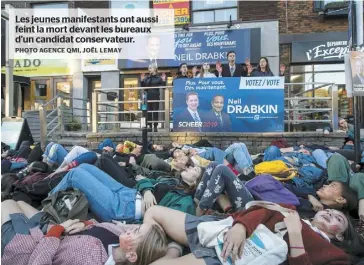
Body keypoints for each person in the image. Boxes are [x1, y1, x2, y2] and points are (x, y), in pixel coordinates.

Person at [143, 205, 357, 265]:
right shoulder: (295, 212)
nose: (331, 213)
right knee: (153, 213)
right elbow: (263, 211)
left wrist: (296, 237)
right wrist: (240, 227)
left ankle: (173, 247)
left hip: (234, 257)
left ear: (340, 236)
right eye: (329, 210)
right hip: (223, 229)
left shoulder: (335, 255)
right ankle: (175, 246)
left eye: (339, 218)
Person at [1, 200, 169, 265]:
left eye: (137, 231)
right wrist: (85, 223)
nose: (132, 227)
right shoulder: (118, 237)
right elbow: (98, 226)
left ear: (132, 256)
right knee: (21, 202)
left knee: (7, 203)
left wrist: (54, 233)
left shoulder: (92, 260)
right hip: (53, 230)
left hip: (27, 247)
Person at [50, 163, 204, 221]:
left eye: (194, 169)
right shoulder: (173, 182)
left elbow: (163, 226)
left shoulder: (186, 203)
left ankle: (45, 210)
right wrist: (147, 191)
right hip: (127, 193)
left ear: (196, 183)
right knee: (84, 167)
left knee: (75, 175)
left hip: (124, 209)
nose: (189, 167)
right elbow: (145, 181)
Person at [140, 63, 166, 132]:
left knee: (155, 112)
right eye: (149, 68)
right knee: (148, 112)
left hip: (155, 97)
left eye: (150, 68)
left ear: (155, 69)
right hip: (148, 98)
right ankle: (150, 126)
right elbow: (143, 87)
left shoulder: (158, 78)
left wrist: (163, 80)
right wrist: (142, 80)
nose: (149, 69)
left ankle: (155, 126)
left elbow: (163, 87)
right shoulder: (147, 78)